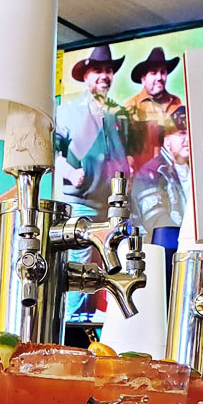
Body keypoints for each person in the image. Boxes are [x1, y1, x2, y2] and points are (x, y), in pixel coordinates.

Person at [55, 45, 130, 320]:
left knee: (110, 268)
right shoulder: (68, 111)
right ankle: (71, 330)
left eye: (108, 70)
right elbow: (54, 155)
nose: (104, 75)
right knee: (80, 266)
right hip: (81, 205)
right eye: (98, 70)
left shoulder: (117, 114)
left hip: (110, 207)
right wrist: (70, 173)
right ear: (86, 76)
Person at [131, 106, 190, 238]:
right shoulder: (151, 172)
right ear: (166, 138)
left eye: (192, 134)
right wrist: (185, 242)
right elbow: (157, 221)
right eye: (182, 133)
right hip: (163, 251)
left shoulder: (197, 171)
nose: (188, 140)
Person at [125, 47, 182, 170]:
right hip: (143, 176)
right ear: (143, 79)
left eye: (163, 72)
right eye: (153, 73)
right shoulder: (131, 106)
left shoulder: (176, 103)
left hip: (175, 174)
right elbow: (124, 150)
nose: (159, 77)